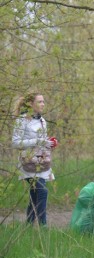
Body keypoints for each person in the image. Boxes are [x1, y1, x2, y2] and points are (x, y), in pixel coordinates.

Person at [12, 93, 57, 226]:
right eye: (39, 102)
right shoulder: (21, 120)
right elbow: (15, 143)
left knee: (35, 194)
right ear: (31, 104)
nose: (43, 104)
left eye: (43, 101)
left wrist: (49, 143)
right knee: (42, 191)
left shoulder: (42, 120)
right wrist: (37, 140)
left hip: (41, 163)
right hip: (28, 164)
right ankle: (43, 227)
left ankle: (28, 225)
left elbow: (41, 143)